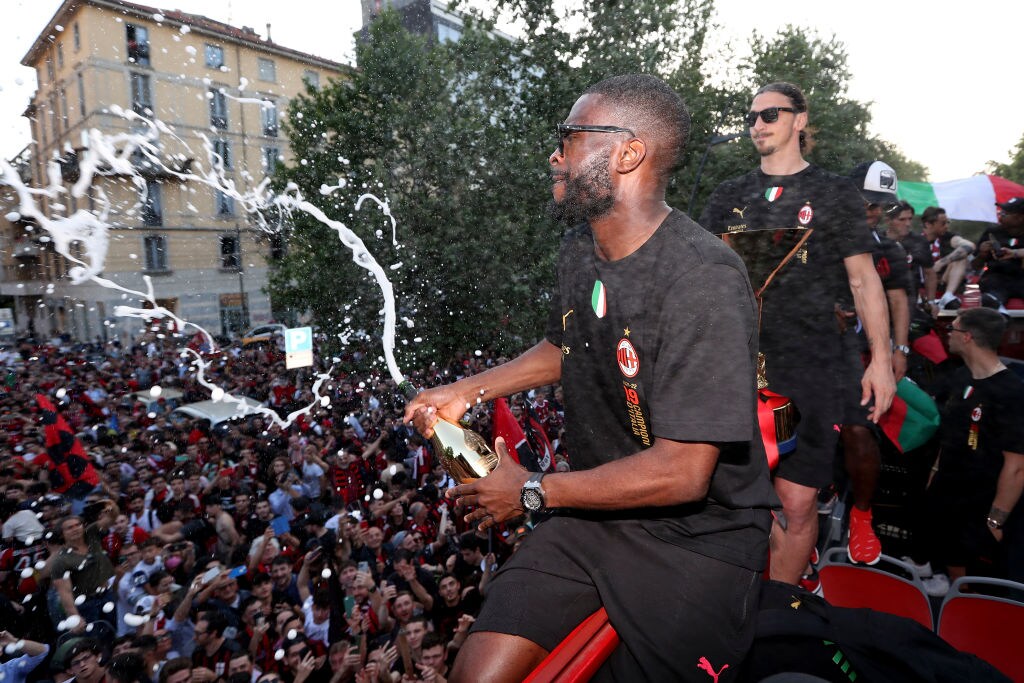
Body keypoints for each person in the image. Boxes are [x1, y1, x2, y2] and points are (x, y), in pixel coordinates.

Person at [406, 74, 774, 682]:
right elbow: (567, 344)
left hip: (698, 538)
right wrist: (467, 390)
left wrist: (529, 491)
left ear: (629, 153)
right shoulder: (581, 248)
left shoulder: (703, 278)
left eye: (571, 137)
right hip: (593, 515)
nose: (555, 153)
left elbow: (683, 473)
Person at [701, 81, 895, 585]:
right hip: (740, 365)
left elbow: (863, 280)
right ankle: (740, 593)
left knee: (797, 498)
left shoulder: (833, 193)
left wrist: (880, 360)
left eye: (770, 114)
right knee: (738, 494)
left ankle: (779, 610)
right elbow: (703, 279)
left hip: (810, 366)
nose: (757, 125)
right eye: (751, 117)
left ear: (800, 121)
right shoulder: (729, 195)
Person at [910, 308, 1024, 592]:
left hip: (981, 500)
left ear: (968, 337)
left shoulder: (1011, 392)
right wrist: (935, 472)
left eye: (954, 330)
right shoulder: (960, 377)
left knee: (971, 577)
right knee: (950, 555)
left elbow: (1017, 466)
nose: (949, 335)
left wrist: (996, 520)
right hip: (950, 489)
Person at [837, 161, 912, 566]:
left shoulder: (886, 247)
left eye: (882, 207)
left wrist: (899, 351)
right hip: (799, 348)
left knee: (860, 430)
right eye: (870, 203)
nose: (875, 212)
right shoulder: (814, 231)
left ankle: (862, 515)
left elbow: (898, 297)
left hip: (853, 351)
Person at [973, 196, 1024, 308]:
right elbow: (975, 266)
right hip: (996, 277)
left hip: (1021, 278)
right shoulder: (992, 232)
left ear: (1020, 218)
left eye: (1004, 214)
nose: (1000, 216)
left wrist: (1015, 253)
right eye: (1000, 212)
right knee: (993, 287)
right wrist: (982, 254)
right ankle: (997, 308)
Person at [921, 206, 974, 309]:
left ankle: (947, 296)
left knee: (960, 257)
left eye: (947, 222)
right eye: (943, 223)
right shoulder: (916, 240)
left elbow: (969, 246)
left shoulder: (949, 237)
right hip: (924, 281)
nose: (946, 226)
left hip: (943, 281)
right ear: (928, 224)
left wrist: (942, 262)